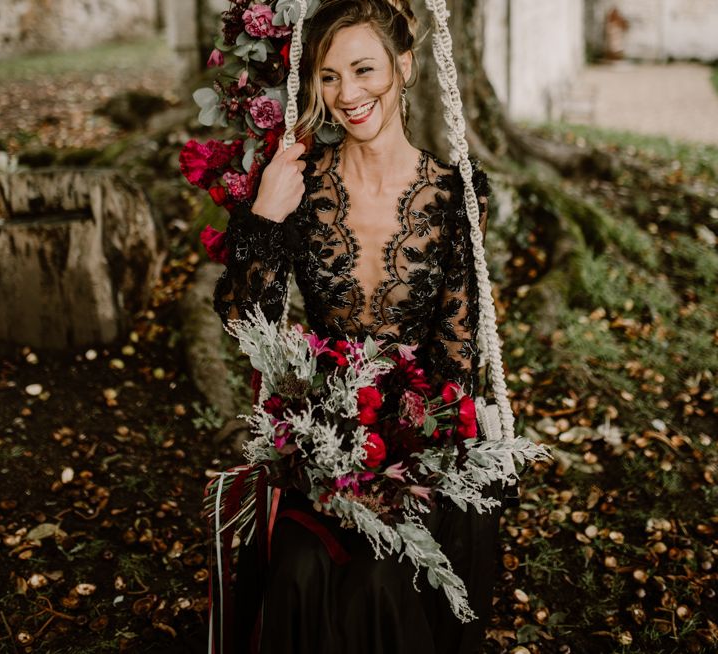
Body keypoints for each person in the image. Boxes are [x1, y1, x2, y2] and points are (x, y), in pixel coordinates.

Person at [212, 1, 511, 651]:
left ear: (404, 67)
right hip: (316, 441)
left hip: (421, 446)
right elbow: (247, 324)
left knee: (382, 581)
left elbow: (457, 361)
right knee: (298, 567)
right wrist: (264, 215)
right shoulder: (300, 184)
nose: (347, 94)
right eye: (327, 76)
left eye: (363, 69)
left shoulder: (453, 194)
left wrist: (400, 461)